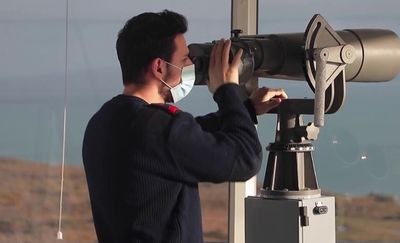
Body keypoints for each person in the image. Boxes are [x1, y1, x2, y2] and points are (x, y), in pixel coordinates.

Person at [82, 10, 287, 243]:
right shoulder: (157, 129)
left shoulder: (104, 121)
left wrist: (246, 109)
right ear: (159, 67)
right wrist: (225, 90)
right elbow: (246, 159)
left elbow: (187, 139)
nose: (191, 64)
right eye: (184, 59)